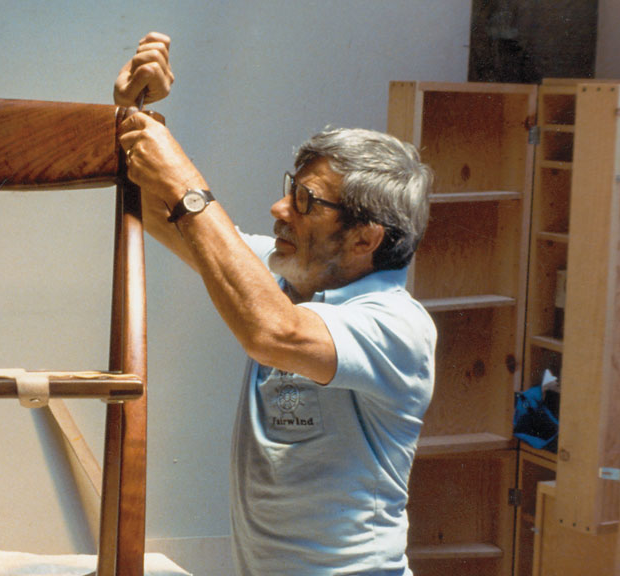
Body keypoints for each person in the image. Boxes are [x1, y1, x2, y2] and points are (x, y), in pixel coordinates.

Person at [114, 33, 436, 576]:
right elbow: (155, 212)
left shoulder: (396, 326)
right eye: (293, 188)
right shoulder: (287, 276)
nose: (280, 208)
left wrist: (186, 181)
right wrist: (133, 115)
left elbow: (274, 333)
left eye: (307, 202)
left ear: (365, 239)